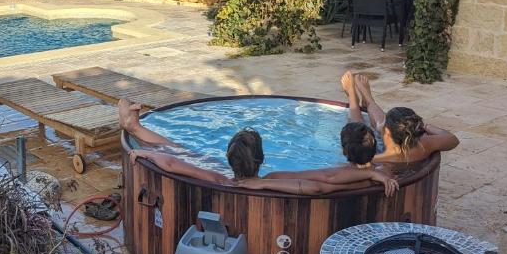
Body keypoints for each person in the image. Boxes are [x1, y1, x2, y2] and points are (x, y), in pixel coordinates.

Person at [118, 98, 399, 196]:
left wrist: (147, 154)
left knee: (184, 151)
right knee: (184, 152)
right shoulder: (272, 179)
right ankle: (136, 128)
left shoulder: (220, 177)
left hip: (229, 177)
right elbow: (323, 182)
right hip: (260, 182)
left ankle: (137, 129)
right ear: (263, 158)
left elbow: (171, 163)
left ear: (229, 159)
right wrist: (372, 173)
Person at [341, 71, 459, 164]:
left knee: (358, 130)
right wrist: (425, 126)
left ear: (386, 132)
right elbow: (453, 140)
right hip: (400, 141)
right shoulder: (423, 146)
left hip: (383, 149)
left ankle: (354, 98)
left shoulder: (375, 158)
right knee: (377, 124)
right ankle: (368, 100)